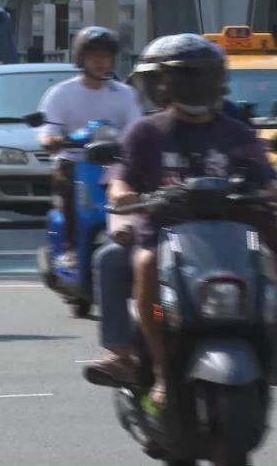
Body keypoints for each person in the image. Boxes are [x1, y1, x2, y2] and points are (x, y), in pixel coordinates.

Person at [105, 34, 277, 408]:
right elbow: (122, 179)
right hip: (166, 239)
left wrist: (267, 193)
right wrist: (122, 196)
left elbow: (266, 179)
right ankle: (162, 371)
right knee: (147, 280)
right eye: (180, 77)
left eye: (198, 76)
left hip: (236, 236)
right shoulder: (146, 132)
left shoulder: (237, 132)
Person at [38, 26, 142, 270]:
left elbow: (137, 128)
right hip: (75, 160)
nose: (101, 62)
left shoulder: (125, 94)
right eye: (94, 57)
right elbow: (48, 130)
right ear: (81, 59)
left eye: (105, 57)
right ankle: (70, 247)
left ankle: (140, 240)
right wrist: (53, 140)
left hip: (115, 163)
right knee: (66, 184)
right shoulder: (61, 93)